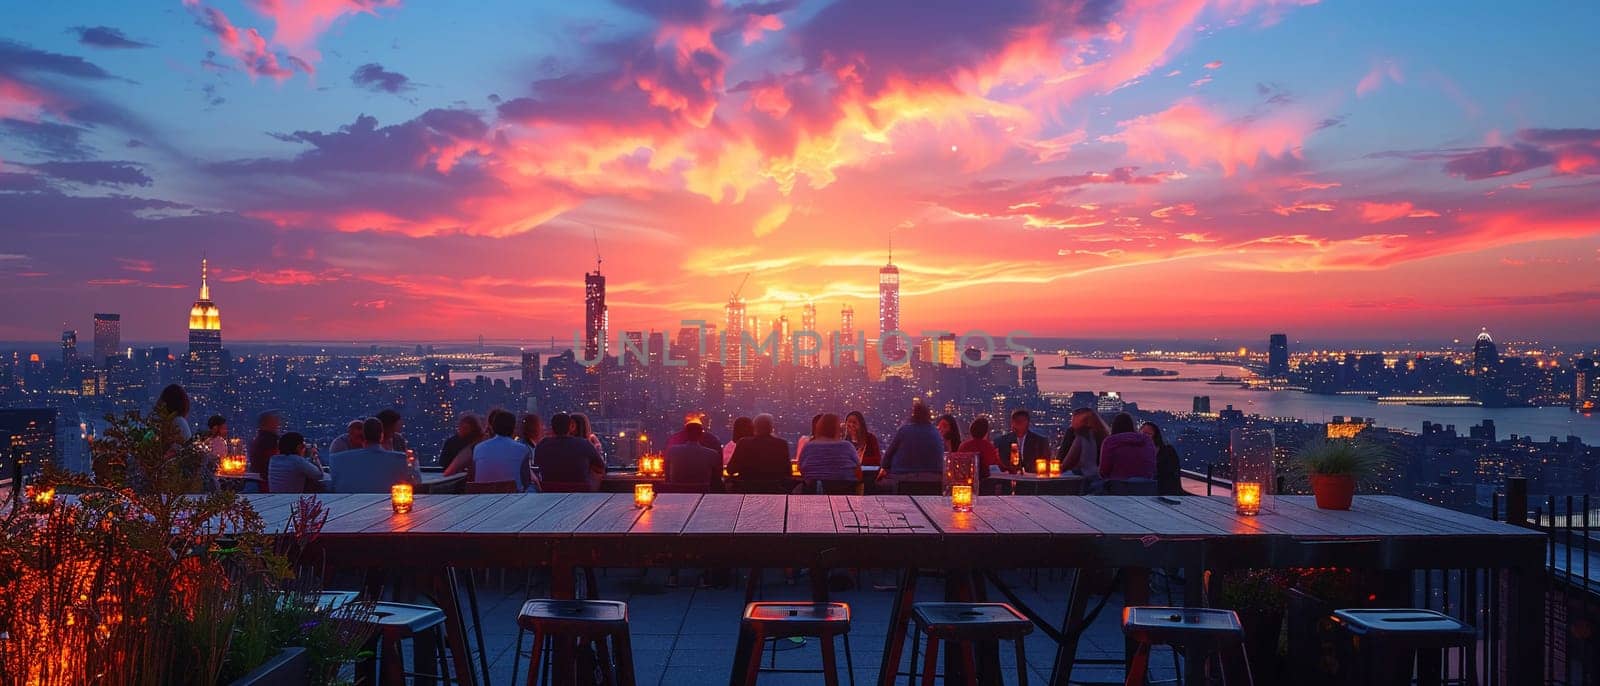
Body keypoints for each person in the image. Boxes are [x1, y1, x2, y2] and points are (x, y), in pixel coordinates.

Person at [328, 417, 419, 493]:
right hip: (387, 507)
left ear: (363, 436)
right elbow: (416, 482)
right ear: (381, 436)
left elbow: (334, 484)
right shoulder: (401, 459)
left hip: (344, 507)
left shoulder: (338, 460)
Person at [879, 401, 946, 486]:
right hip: (934, 481)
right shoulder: (936, 433)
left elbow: (886, 459)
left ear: (913, 415)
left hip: (903, 480)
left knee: (879, 482)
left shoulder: (904, 430)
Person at [467, 411, 537, 491]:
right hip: (512, 498)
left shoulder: (478, 448)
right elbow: (526, 482)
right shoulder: (522, 449)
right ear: (513, 428)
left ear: (493, 427)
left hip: (482, 497)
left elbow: (472, 477)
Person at [535, 413, 606, 489]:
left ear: (552, 428)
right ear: (570, 427)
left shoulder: (542, 445)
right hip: (580, 493)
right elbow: (601, 468)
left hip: (550, 492)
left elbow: (536, 464)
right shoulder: (584, 444)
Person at [797, 413, 861, 485]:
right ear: (837, 429)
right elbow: (858, 472)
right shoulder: (847, 446)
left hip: (814, 491)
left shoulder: (808, 447)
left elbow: (800, 469)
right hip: (844, 492)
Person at [726, 413, 792, 482]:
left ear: (754, 427)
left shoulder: (743, 443)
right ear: (771, 427)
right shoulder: (782, 444)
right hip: (774, 489)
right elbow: (788, 472)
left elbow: (730, 470)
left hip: (746, 489)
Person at [664, 421, 723, 492]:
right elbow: (718, 477)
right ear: (701, 435)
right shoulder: (712, 454)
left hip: (677, 492)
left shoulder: (671, 451)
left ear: (684, 435)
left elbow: (667, 475)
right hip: (702, 492)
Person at [1100, 413, 1157, 482]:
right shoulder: (1147, 440)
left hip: (1118, 487)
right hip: (1145, 486)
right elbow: (1153, 467)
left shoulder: (1110, 441)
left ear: (1114, 426)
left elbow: (1104, 471)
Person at [1060, 408, 1110, 485]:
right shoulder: (1105, 435)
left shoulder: (1082, 435)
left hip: (1084, 477)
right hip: (1100, 478)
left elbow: (1067, 463)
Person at [995, 409, 1050, 473]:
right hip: (1010, 478)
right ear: (1012, 423)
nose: (1019, 423)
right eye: (1016, 421)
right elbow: (1001, 463)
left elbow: (1046, 463)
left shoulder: (1040, 442)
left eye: (1022, 421)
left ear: (1028, 422)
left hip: (1034, 479)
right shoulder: (1002, 441)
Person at [1143, 421, 1184, 496]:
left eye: (1148, 434)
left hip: (1166, 490)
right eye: (1143, 433)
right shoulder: (1137, 451)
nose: (1145, 436)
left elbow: (1173, 474)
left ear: (1155, 436)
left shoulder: (1167, 451)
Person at [247, 410, 282, 480]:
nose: (278, 424)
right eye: (275, 421)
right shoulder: (270, 441)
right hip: (268, 482)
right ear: (267, 423)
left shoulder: (257, 440)